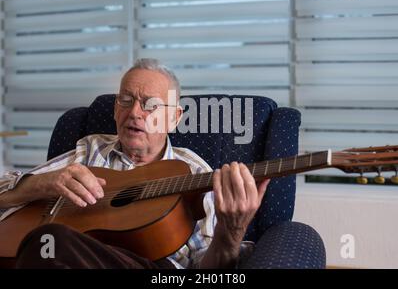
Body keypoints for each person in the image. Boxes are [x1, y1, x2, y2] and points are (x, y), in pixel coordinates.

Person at [0, 58, 270, 269]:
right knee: (48, 241)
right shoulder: (91, 148)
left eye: (150, 105)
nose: (134, 113)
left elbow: (206, 272)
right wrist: (42, 183)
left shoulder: (196, 172)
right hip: (67, 256)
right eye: (126, 101)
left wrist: (230, 232)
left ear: (174, 118)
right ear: (116, 109)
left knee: (52, 242)